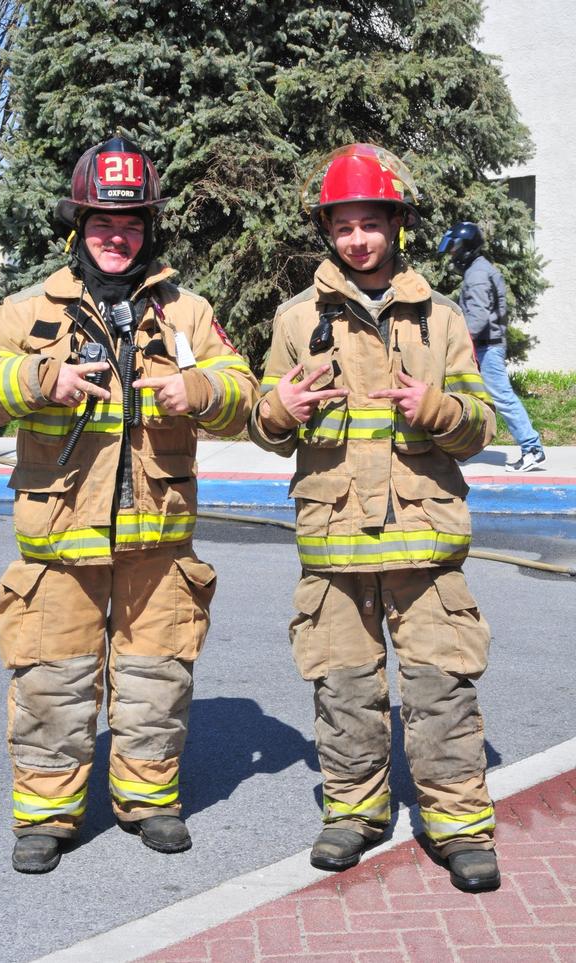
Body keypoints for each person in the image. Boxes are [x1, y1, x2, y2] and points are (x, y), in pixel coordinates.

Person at [0, 135, 258, 874]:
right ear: (77, 227)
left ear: (147, 227)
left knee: (156, 677)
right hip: (60, 539)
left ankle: (149, 800)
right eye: (100, 223)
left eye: (128, 224)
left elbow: (244, 393)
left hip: (159, 542)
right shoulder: (31, 309)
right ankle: (48, 815)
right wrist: (39, 379)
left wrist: (203, 390)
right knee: (52, 680)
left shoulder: (186, 312)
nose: (115, 237)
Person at [249, 143, 500, 893]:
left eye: (371, 223)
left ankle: (457, 823)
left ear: (396, 223)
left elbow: (481, 423)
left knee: (441, 685)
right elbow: (266, 417)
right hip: (334, 540)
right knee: (343, 685)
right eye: (344, 225)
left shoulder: (442, 319)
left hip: (425, 542)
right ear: (328, 230)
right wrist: (277, 410)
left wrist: (440, 409)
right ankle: (354, 812)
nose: (358, 238)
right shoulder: (297, 320)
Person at [438, 221, 545, 472]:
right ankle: (455, 446)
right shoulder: (479, 269)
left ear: (466, 247)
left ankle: (532, 449)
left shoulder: (477, 274)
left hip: (487, 348)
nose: (452, 253)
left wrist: (456, 341)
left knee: (503, 398)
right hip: (487, 346)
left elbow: (477, 319)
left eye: (455, 248)